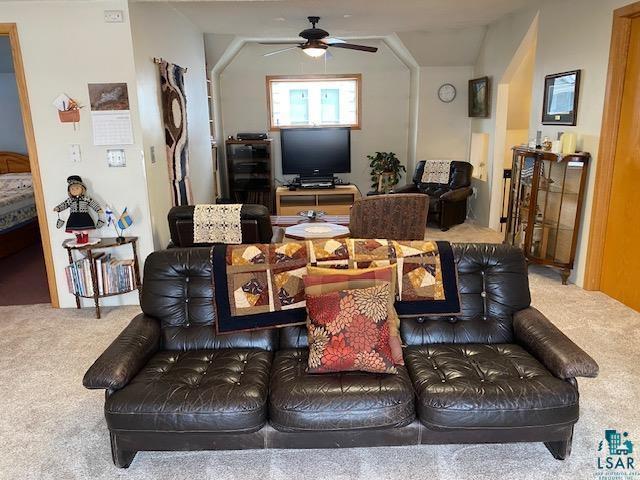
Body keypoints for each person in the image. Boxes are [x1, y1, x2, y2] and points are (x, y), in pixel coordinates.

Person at [54, 175, 104, 245]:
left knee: (85, 229)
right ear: (69, 191)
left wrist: (98, 209)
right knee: (74, 230)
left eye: (77, 188)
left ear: (82, 189)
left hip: (84, 217)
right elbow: (64, 204)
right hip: (73, 217)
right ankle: (79, 238)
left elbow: (92, 203)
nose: (75, 190)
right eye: (72, 189)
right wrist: (58, 208)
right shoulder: (70, 200)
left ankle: (85, 237)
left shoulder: (86, 198)